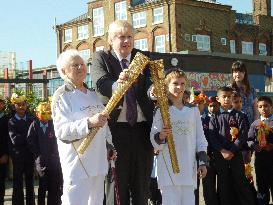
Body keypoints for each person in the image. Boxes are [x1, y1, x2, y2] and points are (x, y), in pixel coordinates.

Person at [91, 20, 154, 205]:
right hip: (115, 131)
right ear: (111, 40)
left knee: (142, 185)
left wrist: (154, 92)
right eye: (121, 37)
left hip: (143, 130)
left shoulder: (143, 57)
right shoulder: (100, 57)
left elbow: (151, 86)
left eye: (129, 37)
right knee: (116, 184)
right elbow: (100, 83)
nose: (126, 41)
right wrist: (118, 84)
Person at [52, 49, 115, 205]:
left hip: (98, 163)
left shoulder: (94, 95)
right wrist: (88, 123)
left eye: (82, 64)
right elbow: (62, 132)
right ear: (63, 71)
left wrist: (110, 146)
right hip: (77, 164)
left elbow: (104, 126)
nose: (81, 68)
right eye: (75, 65)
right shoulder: (62, 96)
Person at [150, 68, 208, 205]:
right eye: (175, 83)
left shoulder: (193, 110)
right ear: (167, 85)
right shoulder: (161, 110)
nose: (179, 87)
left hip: (189, 168)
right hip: (168, 168)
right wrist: (161, 136)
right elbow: (154, 139)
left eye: (182, 84)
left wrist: (203, 162)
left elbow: (200, 138)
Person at [209, 86, 256, 205]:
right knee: (223, 182)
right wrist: (222, 150)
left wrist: (233, 150)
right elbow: (212, 136)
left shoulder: (239, 115)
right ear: (218, 99)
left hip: (236, 154)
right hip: (220, 155)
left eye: (229, 97)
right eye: (224, 97)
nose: (226, 99)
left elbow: (243, 135)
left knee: (240, 180)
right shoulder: (214, 117)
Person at [27, 101, 63, 205]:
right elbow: (30, 141)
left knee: (54, 186)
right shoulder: (34, 125)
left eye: (48, 113)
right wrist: (38, 154)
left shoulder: (53, 125)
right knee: (42, 186)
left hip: (54, 161)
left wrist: (55, 153)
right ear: (37, 113)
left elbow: (59, 140)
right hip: (41, 161)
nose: (45, 115)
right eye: (42, 113)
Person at [8, 93, 35, 205]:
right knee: (17, 182)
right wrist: (28, 137)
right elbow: (15, 139)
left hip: (29, 156)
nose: (21, 107)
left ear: (26, 105)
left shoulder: (31, 119)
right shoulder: (11, 121)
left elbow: (34, 137)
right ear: (14, 106)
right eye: (18, 105)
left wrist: (25, 137)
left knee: (30, 182)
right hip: (18, 157)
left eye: (23, 104)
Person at [248, 96, 273, 205]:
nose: (263, 108)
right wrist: (254, 146)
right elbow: (249, 140)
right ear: (257, 108)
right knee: (261, 188)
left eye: (266, 106)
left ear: (271, 107)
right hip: (260, 162)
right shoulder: (255, 124)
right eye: (260, 106)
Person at [201, 96, 220, 205]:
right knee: (208, 185)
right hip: (207, 157)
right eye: (210, 106)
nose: (212, 108)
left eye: (215, 106)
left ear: (219, 105)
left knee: (222, 183)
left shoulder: (222, 118)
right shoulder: (203, 120)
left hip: (220, 155)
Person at [0, 95, 9, 205]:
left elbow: (8, 139)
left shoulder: (6, 119)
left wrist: (6, 154)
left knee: (1, 183)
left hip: (2, 156)